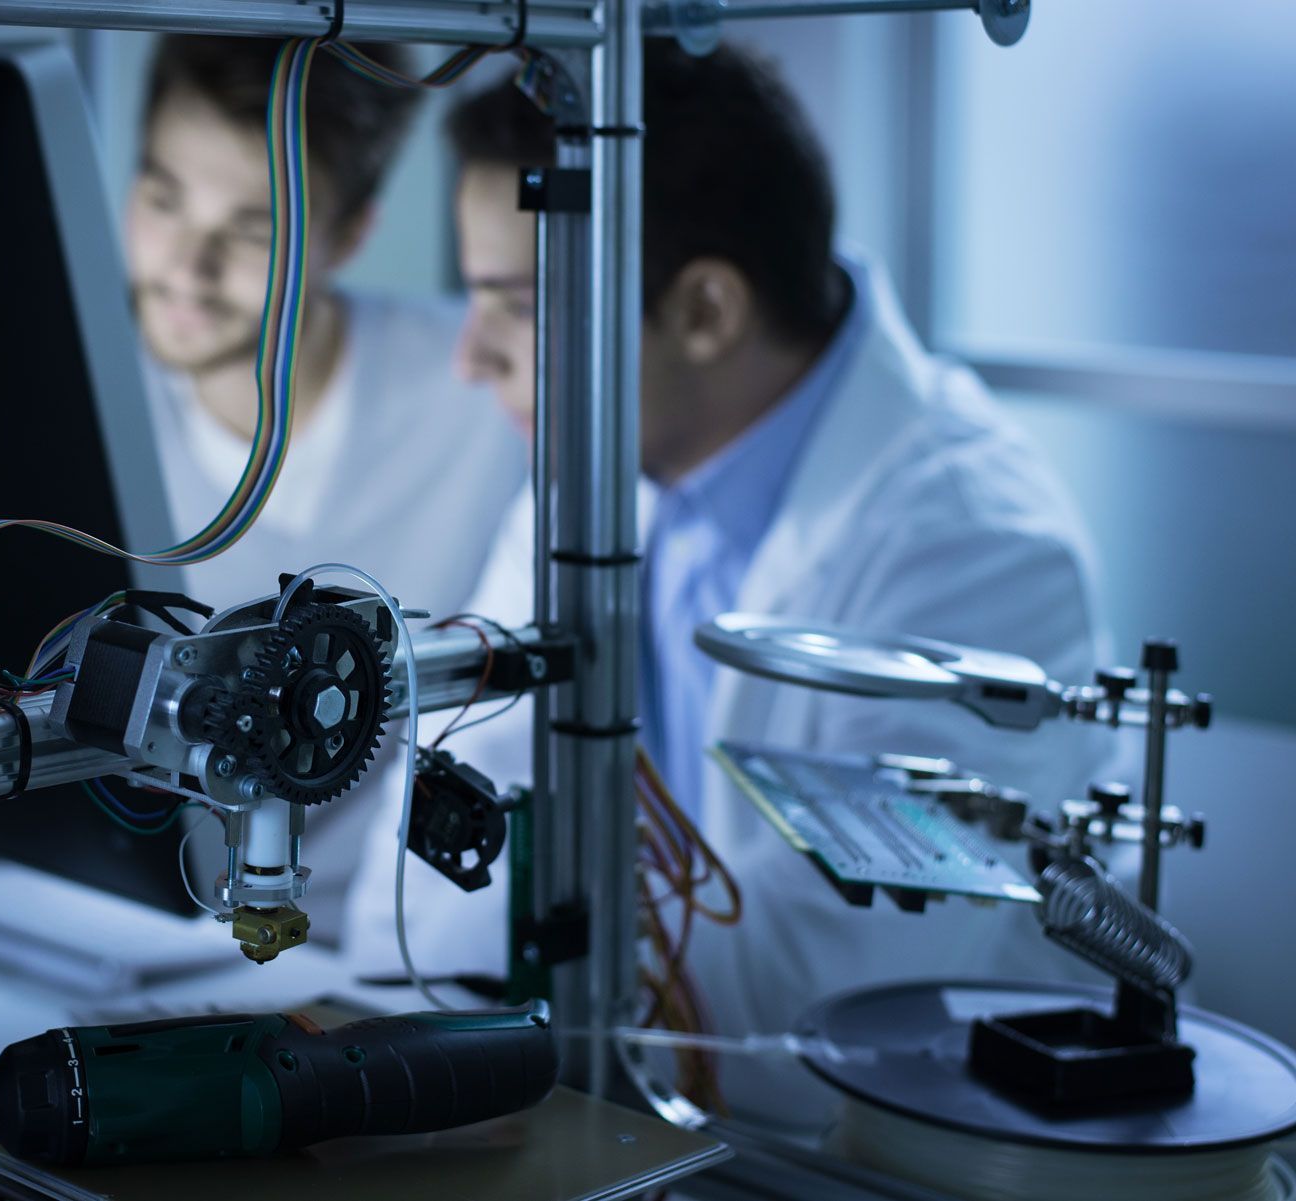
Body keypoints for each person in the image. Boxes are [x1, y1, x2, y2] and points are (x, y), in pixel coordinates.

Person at [346, 41, 1115, 1128]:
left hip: (893, 1151)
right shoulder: (607, 466)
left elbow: (823, 994)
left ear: (706, 311)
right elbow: (425, 876)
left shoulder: (975, 548)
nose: (472, 359)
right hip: (617, 1112)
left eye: (516, 305)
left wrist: (511, 964)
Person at [125, 36, 528, 938]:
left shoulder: (486, 391)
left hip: (403, 943)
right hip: (121, 935)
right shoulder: (73, 403)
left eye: (252, 229)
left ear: (348, 235)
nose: (187, 268)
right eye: (162, 200)